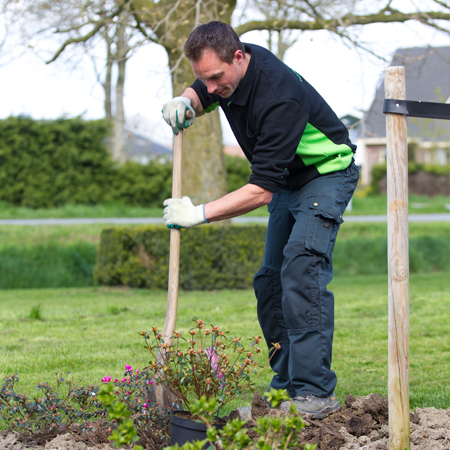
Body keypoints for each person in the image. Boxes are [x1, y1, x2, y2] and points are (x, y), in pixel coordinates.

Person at [162, 21, 360, 419]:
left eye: (217, 78)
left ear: (239, 58)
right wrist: (186, 99)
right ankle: (286, 386)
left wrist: (197, 214)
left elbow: (260, 191)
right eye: (205, 79)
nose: (213, 88)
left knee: (302, 271)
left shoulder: (278, 95)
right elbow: (204, 88)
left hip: (325, 176)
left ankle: (316, 394)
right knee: (270, 282)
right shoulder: (230, 67)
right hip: (289, 180)